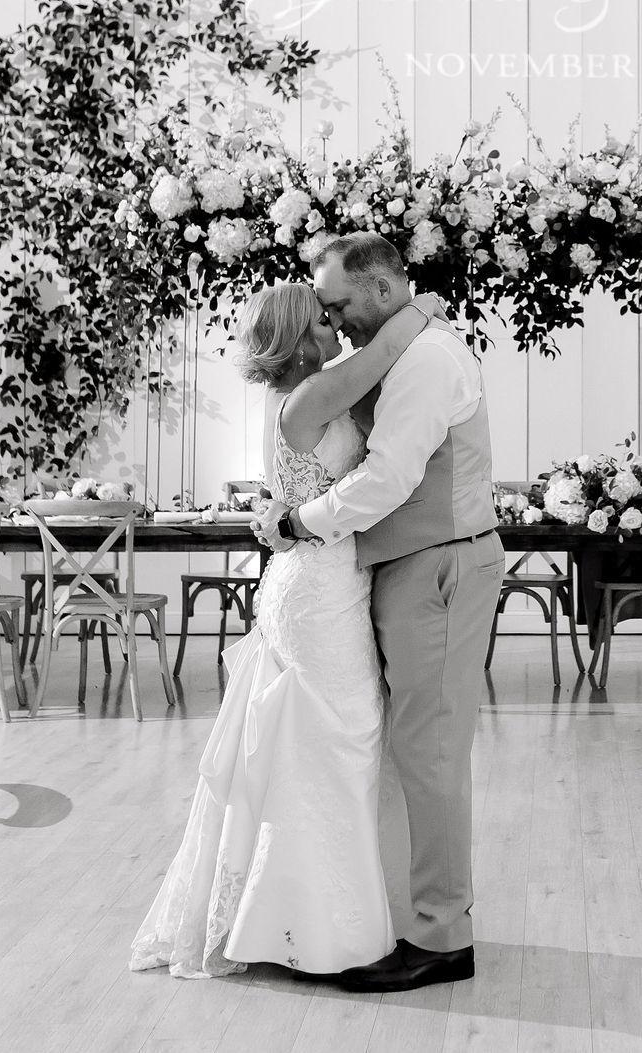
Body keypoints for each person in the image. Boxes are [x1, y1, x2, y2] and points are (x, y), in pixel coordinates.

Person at [129, 278, 445, 979]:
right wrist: (419, 308)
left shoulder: (302, 395)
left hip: (316, 579)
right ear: (301, 336)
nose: (338, 328)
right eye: (325, 320)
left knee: (324, 741)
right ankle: (319, 927)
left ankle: (300, 916)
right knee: (338, 739)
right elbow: (385, 352)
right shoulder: (310, 396)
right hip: (316, 592)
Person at [254, 232, 504, 994]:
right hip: (396, 570)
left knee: (429, 752)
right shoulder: (399, 347)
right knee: (404, 749)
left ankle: (441, 936)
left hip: (439, 565)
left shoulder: (425, 360)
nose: (336, 321)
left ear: (384, 290)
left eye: (340, 305)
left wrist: (298, 521)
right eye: (324, 312)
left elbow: (390, 476)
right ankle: (397, 911)